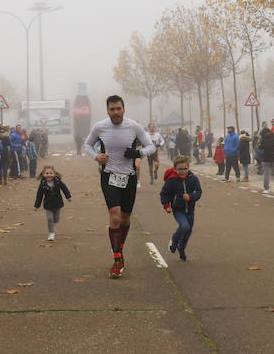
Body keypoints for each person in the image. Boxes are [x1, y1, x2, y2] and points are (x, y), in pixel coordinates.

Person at [84, 95, 156, 279]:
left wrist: (138, 152)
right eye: (112, 109)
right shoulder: (100, 127)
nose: (115, 112)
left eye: (118, 109)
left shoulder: (134, 127)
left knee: (125, 218)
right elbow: (87, 144)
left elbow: (151, 147)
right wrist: (96, 157)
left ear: (124, 109)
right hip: (109, 176)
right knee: (114, 217)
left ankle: (119, 248)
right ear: (107, 110)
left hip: (129, 177)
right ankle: (118, 259)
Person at [160, 156, 203, 261]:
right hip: (178, 210)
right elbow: (164, 194)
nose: (183, 171)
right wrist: (166, 206)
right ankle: (174, 240)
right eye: (180, 169)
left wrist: (191, 197)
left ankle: (181, 248)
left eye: (185, 169)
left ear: (188, 168)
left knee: (188, 232)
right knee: (184, 226)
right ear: (175, 169)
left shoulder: (193, 179)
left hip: (190, 210)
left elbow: (198, 192)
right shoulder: (171, 181)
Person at [34, 165, 71, 241]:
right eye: (47, 173)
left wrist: (68, 197)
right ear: (44, 174)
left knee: (56, 219)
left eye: (51, 173)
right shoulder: (43, 184)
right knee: (50, 218)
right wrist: (37, 206)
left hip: (57, 203)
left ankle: (53, 224)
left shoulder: (58, 181)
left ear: (54, 174)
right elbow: (39, 195)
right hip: (48, 204)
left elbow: (64, 188)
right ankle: (51, 233)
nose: (49, 175)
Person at [259, 127, 274, 194]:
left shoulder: (263, 139)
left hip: (266, 158)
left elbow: (260, 147)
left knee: (266, 174)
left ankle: (266, 189)